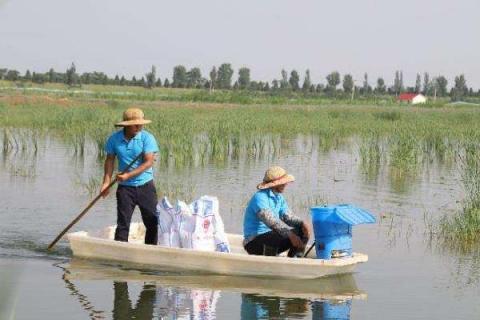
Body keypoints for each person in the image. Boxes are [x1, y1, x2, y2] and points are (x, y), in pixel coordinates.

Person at [101, 107, 159, 245]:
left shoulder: (147, 138)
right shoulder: (114, 139)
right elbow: (109, 160)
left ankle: (150, 251)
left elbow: (149, 162)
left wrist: (128, 175)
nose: (140, 126)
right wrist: (106, 183)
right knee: (123, 224)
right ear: (126, 125)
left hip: (146, 186)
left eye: (141, 124)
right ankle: (120, 253)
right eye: (136, 124)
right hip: (125, 189)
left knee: (152, 222)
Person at [243, 166, 310, 257]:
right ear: (274, 184)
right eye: (282, 183)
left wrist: (303, 224)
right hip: (253, 242)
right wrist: (290, 234)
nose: (285, 184)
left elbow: (287, 217)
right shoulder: (260, 197)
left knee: (301, 231)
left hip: (271, 236)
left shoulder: (279, 197)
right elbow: (271, 222)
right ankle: (269, 263)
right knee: (276, 237)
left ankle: (294, 258)